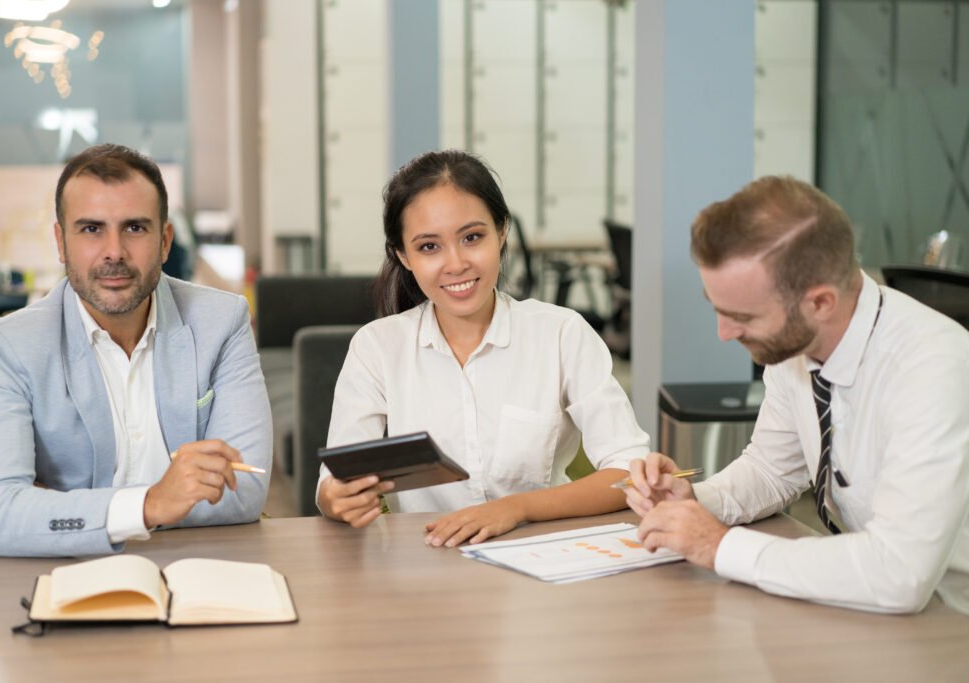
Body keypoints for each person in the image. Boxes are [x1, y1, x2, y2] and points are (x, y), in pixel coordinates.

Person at [623, 176, 969, 614]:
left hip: (950, 621)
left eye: (742, 316)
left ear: (821, 303)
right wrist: (695, 502)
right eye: (717, 309)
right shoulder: (795, 344)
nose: (724, 334)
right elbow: (772, 470)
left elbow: (899, 572)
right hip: (863, 601)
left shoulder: (931, 366)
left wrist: (722, 547)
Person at [317, 149, 649, 546]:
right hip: (428, 562)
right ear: (403, 256)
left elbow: (629, 471)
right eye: (429, 247)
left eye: (472, 237)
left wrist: (517, 508)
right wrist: (336, 499)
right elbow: (335, 485)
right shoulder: (377, 348)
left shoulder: (561, 334)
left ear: (502, 230)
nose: (456, 263)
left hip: (541, 558)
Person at [0, 144, 272, 558]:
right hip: (65, 575)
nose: (114, 252)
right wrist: (152, 502)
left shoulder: (222, 321)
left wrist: (52, 505)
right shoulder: (8, 346)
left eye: (134, 228)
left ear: (164, 241)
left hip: (200, 564)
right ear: (61, 241)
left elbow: (245, 488)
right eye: (91, 229)